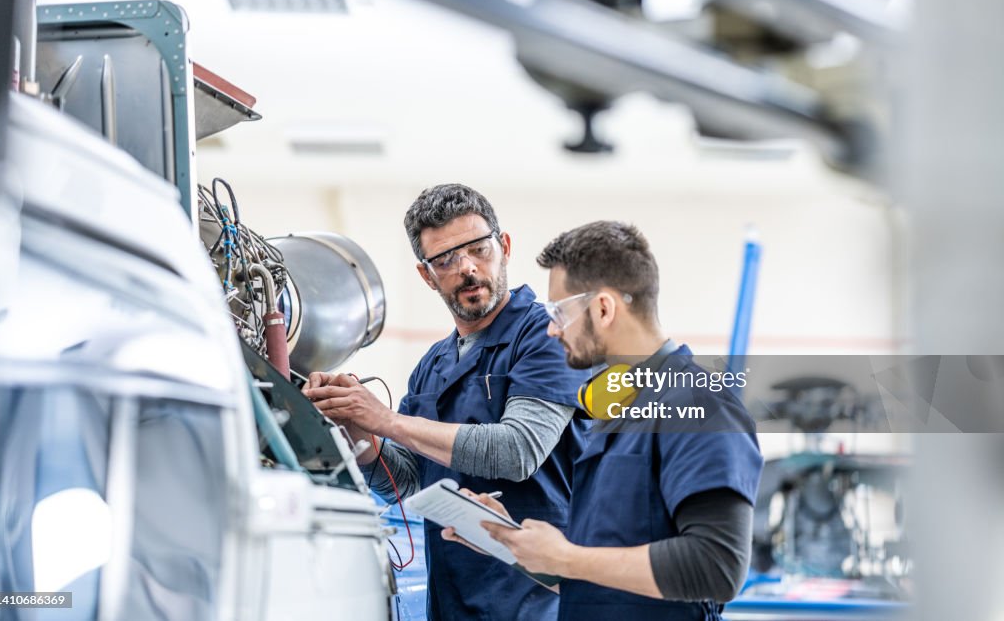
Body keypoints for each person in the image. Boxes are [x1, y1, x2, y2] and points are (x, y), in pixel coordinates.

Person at [446, 221, 764, 621]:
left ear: (603, 308)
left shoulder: (699, 405)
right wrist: (512, 543)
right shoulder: (619, 416)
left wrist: (567, 556)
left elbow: (717, 565)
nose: (551, 329)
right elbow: (599, 579)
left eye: (559, 312)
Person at [303, 184, 590, 621]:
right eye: (445, 260)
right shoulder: (431, 366)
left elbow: (518, 451)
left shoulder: (547, 336)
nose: (468, 268)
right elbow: (409, 481)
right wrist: (357, 428)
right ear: (426, 275)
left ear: (505, 246)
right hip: (453, 599)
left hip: (538, 603)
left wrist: (385, 419)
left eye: (478, 249)